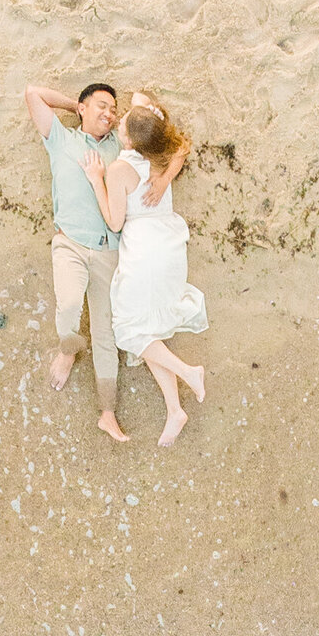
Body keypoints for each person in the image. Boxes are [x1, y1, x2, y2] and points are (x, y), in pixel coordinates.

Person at [84, 91, 208, 446]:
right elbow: (181, 147)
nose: (120, 118)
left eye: (123, 123)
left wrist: (96, 180)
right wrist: (165, 177)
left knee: (128, 331)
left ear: (127, 139)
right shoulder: (160, 151)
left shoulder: (120, 169)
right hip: (169, 242)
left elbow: (115, 221)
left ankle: (188, 372)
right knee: (149, 329)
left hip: (144, 251)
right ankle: (175, 410)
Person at [23, 79, 129, 442]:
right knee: (69, 304)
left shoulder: (119, 145)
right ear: (83, 108)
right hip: (69, 244)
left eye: (113, 109)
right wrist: (76, 106)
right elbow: (32, 93)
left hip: (108, 250)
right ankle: (68, 351)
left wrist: (107, 120)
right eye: (102, 105)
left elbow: (149, 116)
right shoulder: (62, 140)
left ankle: (108, 412)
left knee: (105, 333)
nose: (109, 113)